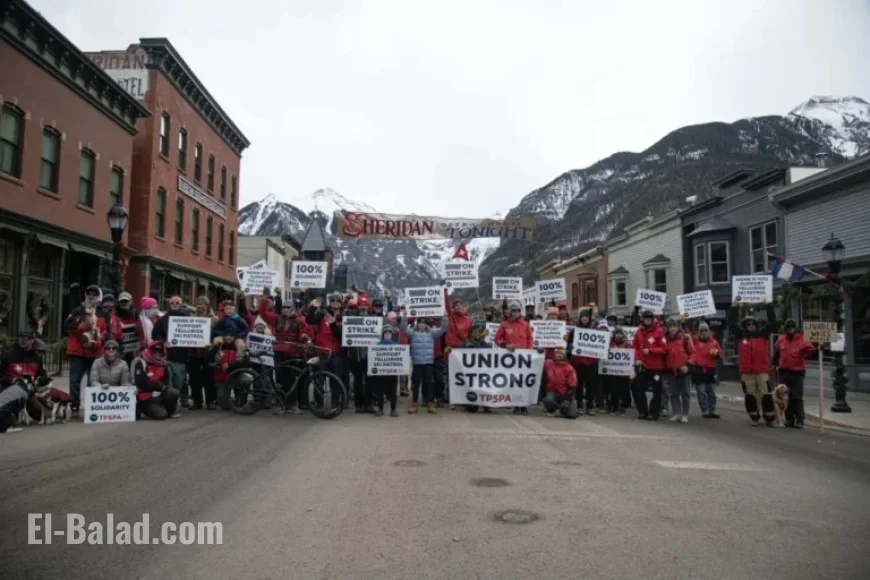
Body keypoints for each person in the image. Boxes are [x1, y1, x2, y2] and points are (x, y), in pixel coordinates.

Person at [728, 301, 778, 426]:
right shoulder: (741, 337)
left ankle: (770, 418)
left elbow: (772, 323)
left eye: (752, 324)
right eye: (748, 324)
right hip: (747, 372)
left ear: (756, 326)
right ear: (745, 327)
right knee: (750, 396)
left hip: (761, 371)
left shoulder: (763, 336)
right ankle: (754, 417)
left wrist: (768, 306)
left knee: (766, 395)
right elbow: (731, 324)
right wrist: (734, 308)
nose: (751, 326)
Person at [63, 284, 108, 416]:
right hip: (77, 352)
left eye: (94, 294)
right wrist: (82, 327)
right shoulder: (77, 310)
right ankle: (75, 406)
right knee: (75, 380)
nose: (91, 297)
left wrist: (97, 344)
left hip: (94, 352)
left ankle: (91, 407)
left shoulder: (103, 313)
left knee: (92, 381)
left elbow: (107, 333)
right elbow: (66, 326)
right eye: (89, 294)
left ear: (98, 296)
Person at [400, 316, 449, 414]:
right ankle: (414, 404)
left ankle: (430, 404)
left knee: (429, 383)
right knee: (416, 384)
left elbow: (443, 329)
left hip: (428, 363)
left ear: (426, 324)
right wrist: (404, 317)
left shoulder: (431, 333)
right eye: (420, 323)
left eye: (423, 323)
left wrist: (444, 318)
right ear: (417, 324)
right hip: (417, 363)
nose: (421, 325)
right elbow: (404, 329)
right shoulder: (413, 333)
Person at [773, 318, 815, 428]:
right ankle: (789, 419)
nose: (791, 329)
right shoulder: (781, 340)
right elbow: (776, 353)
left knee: (797, 397)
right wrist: (774, 365)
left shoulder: (802, 339)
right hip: (784, 372)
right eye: (788, 327)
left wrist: (807, 353)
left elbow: (811, 350)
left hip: (797, 372)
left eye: (792, 327)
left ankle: (800, 420)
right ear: (786, 329)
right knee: (785, 397)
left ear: (795, 328)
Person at [150, 296, 191, 408]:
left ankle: (184, 397)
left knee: (181, 378)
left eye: (177, 303)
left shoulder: (188, 319)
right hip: (167, 354)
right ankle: (170, 399)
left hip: (181, 354)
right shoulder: (162, 319)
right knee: (168, 378)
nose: (174, 304)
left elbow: (193, 334)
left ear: (180, 304)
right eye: (172, 302)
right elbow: (155, 334)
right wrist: (163, 342)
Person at [494, 301, 533, 415]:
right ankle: (516, 404)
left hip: (524, 359)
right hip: (510, 359)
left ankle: (524, 405)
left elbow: (530, 339)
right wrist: (506, 345)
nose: (516, 312)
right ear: (510, 312)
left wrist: (530, 351)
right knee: (513, 382)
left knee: (524, 382)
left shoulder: (525, 324)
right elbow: (497, 339)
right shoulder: (504, 325)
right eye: (514, 310)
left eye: (518, 310)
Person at [273, 300, 311, 413]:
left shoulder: (299, 320)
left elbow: (305, 332)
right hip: (279, 352)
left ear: (292, 309)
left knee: (292, 379)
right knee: (280, 379)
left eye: (287, 307)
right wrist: (267, 299)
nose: (284, 309)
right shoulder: (277, 318)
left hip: (293, 353)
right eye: (283, 307)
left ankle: (292, 405)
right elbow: (264, 313)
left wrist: (304, 336)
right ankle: (280, 404)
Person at [631, 309, 667, 420]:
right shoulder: (639, 332)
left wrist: (651, 351)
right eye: (646, 318)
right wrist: (637, 359)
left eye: (650, 318)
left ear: (653, 319)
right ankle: (643, 411)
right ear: (643, 319)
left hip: (656, 367)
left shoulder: (659, 331)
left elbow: (664, 349)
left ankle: (653, 412)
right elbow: (635, 348)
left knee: (657, 390)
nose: (648, 320)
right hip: (642, 366)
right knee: (637, 387)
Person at [132, 341, 180, 420]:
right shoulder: (141, 362)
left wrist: (161, 389)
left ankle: (169, 412)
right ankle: (141, 408)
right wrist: (158, 387)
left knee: (174, 393)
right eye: (155, 351)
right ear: (151, 351)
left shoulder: (163, 364)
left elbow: (166, 380)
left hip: (159, 392)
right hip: (145, 396)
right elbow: (141, 382)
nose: (157, 353)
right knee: (161, 415)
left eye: (159, 351)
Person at [188, 296, 219, 410]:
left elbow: (218, 335)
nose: (199, 306)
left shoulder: (214, 319)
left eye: (202, 304)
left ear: (207, 305)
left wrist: (214, 344)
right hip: (194, 353)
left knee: (209, 378)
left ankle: (210, 401)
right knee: (194, 379)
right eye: (198, 304)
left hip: (208, 353)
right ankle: (197, 401)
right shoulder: (191, 318)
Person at [567, 308, 600, 416]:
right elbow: (568, 345)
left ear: (589, 318)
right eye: (583, 317)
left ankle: (590, 405)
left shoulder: (596, 330)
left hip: (592, 362)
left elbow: (601, 344)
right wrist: (570, 347)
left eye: (586, 317)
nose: (585, 318)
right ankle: (580, 404)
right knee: (579, 384)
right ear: (580, 318)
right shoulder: (574, 331)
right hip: (579, 362)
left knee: (592, 384)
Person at [662, 318, 694, 424]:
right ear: (667, 328)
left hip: (683, 370)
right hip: (670, 371)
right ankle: (677, 413)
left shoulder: (685, 339)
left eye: (674, 326)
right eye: (670, 327)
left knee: (685, 393)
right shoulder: (664, 340)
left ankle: (685, 414)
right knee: (673, 393)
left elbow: (693, 354)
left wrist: (687, 365)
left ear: (678, 327)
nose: (672, 329)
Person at [459, 321, 494, 414]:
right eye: (475, 332)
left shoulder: (484, 343)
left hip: (482, 373)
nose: (477, 334)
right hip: (471, 373)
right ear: (471, 333)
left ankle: (486, 405)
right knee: (472, 408)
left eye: (479, 332)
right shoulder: (467, 343)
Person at [691, 322, 724, 419]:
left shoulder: (714, 342)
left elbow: (721, 355)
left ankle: (712, 410)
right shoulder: (695, 341)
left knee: (711, 392)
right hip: (698, 370)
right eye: (702, 330)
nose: (704, 332)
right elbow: (687, 335)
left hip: (710, 370)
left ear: (709, 331)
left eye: (706, 330)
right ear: (699, 332)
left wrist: (717, 354)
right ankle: (704, 410)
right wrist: (682, 322)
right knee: (701, 392)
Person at [346, 295, 372, 413]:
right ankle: (359, 404)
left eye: (365, 306)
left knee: (369, 380)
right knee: (358, 380)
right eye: (361, 305)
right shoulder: (352, 318)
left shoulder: (373, 320)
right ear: (358, 307)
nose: (363, 308)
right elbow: (345, 313)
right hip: (356, 354)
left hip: (369, 355)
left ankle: (369, 404)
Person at [370, 325, 400, 417]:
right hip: (380, 373)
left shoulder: (396, 345)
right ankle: (380, 409)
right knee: (380, 392)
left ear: (391, 335)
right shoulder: (377, 345)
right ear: (383, 335)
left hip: (392, 372)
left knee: (393, 392)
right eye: (385, 333)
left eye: (389, 333)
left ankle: (393, 410)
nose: (387, 335)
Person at [542, 346, 579, 419]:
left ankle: (563, 409)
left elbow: (573, 385)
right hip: (551, 392)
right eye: (556, 353)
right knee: (548, 400)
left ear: (564, 355)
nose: (558, 355)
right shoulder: (548, 363)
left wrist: (567, 399)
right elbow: (538, 361)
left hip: (564, 394)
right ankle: (552, 410)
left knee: (572, 415)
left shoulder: (569, 368)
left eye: (560, 354)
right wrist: (539, 351)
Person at [604, 327, 632, 416]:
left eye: (620, 333)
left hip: (623, 372)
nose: (619, 335)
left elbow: (630, 355)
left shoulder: (627, 344)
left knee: (623, 390)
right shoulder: (610, 343)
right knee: (613, 390)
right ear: (614, 334)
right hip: (612, 371)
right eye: (617, 333)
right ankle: (614, 406)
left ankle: (622, 407)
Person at [115, 292, 138, 365]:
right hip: (118, 347)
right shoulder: (115, 313)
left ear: (131, 301)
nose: (124, 303)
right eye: (122, 301)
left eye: (126, 301)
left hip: (131, 348)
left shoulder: (135, 313)